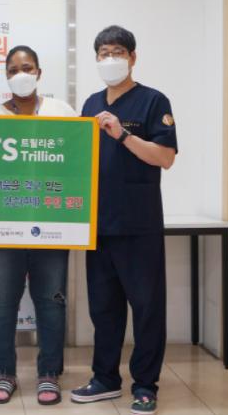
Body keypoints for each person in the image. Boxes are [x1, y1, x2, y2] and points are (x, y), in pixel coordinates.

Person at [70, 26, 177, 415]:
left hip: (138, 224)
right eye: (103, 53)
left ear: (132, 57)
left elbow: (165, 157)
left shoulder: (152, 101)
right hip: (98, 225)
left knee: (147, 307)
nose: (110, 59)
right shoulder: (90, 103)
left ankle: (145, 385)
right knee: (104, 308)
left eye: (117, 52)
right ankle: (105, 379)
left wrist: (123, 135)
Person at [0, 45, 76, 406]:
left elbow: (77, 165)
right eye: (13, 69)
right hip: (5, 226)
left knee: (51, 300)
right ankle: (4, 372)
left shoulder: (62, 112)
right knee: (2, 301)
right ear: (6, 76)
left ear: (39, 72)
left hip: (52, 224)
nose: (20, 74)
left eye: (27, 68)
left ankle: (49, 373)